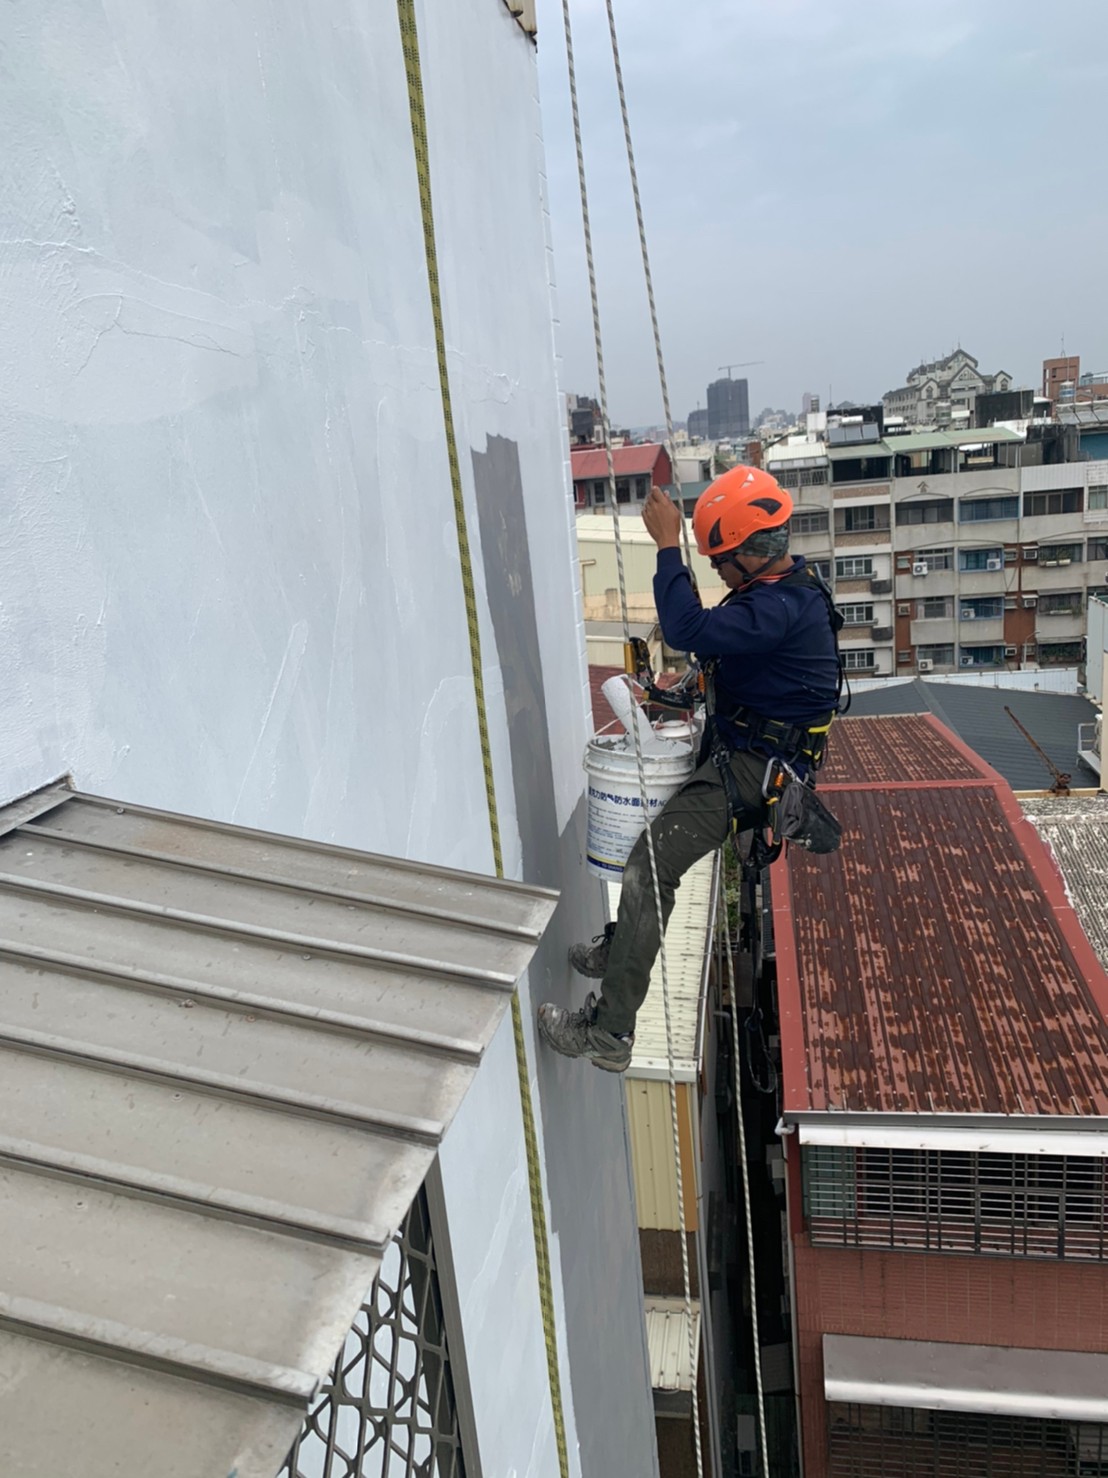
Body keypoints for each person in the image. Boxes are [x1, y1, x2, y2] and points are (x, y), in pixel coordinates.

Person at [538, 465, 841, 1073]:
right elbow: (740, 661)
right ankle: (623, 947)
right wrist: (690, 689)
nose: (718, 571)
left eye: (721, 560)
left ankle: (610, 1034)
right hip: (746, 749)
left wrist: (667, 545)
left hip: (754, 769)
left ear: (750, 553)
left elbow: (686, 628)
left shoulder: (782, 606)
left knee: (651, 865)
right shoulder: (784, 589)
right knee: (651, 837)